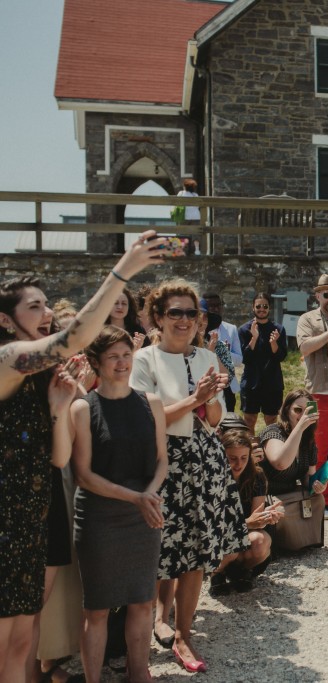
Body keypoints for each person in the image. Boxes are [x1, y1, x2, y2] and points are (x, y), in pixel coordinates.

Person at [0, 232, 165, 681]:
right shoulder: (9, 358)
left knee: (21, 636)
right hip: (5, 516)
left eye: (45, 303)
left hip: (32, 513)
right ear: (4, 319)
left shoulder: (45, 378)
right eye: (34, 306)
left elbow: (56, 461)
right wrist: (122, 273)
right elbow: (74, 337)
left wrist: (57, 408)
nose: (46, 311)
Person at [130, 279, 249, 673]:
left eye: (191, 313)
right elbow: (144, 418)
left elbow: (214, 418)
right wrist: (194, 399)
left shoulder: (206, 358)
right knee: (160, 547)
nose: (184, 320)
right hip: (163, 459)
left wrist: (211, 399)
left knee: (195, 551)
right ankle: (153, 622)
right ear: (158, 318)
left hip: (204, 458)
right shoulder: (144, 360)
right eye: (175, 312)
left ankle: (183, 632)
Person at [70, 327, 168, 683]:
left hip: (145, 513)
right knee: (96, 609)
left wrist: (151, 495)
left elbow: (162, 461)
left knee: (142, 601)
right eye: (112, 356)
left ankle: (138, 673)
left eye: (126, 354)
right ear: (96, 362)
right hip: (100, 516)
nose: (122, 362)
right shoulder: (83, 408)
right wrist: (137, 498)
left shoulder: (151, 403)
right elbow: (83, 475)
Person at [210, 429, 283, 595]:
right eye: (232, 459)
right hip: (220, 538)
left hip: (243, 534)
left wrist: (269, 516)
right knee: (231, 547)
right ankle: (216, 574)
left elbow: (257, 520)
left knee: (260, 541)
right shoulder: (213, 477)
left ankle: (243, 572)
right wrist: (249, 522)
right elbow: (214, 527)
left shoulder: (256, 476)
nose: (238, 464)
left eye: (244, 458)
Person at [296, 274, 328, 513]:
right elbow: (304, 348)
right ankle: (320, 499)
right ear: (317, 295)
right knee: (320, 449)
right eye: (327, 294)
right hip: (318, 393)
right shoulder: (307, 319)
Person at [258, 389, 323, 497]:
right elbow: (281, 464)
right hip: (267, 495)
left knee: (318, 498)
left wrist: (317, 485)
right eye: (298, 410)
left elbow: (308, 478)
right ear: (287, 411)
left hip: (290, 496)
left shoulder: (308, 438)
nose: (303, 415)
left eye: (307, 411)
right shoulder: (274, 432)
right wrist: (300, 428)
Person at [238, 293, 287, 433]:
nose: (261, 309)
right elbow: (245, 358)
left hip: (272, 382)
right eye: (258, 306)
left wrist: (273, 343)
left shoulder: (278, 329)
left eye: (265, 306)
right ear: (253, 308)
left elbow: (281, 357)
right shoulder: (243, 330)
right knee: (249, 420)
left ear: (269, 308)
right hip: (251, 382)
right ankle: (250, 452)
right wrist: (254, 337)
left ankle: (270, 451)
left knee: (271, 421)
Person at [201, 292, 242, 412]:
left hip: (225, 387)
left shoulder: (231, 329)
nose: (216, 309)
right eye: (211, 306)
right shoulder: (189, 342)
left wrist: (222, 352)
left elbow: (239, 360)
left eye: (218, 305)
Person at [176, 178, 200, 255]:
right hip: (196, 216)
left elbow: (177, 203)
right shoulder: (195, 195)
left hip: (185, 216)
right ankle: (197, 250)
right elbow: (198, 205)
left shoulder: (181, 193)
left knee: (183, 233)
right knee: (195, 233)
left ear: (185, 186)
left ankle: (182, 250)